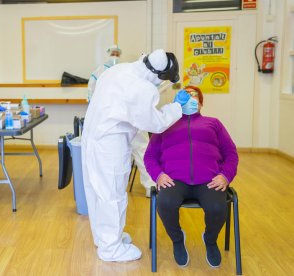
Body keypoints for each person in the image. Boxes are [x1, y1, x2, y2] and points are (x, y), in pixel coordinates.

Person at [82, 49, 186, 262]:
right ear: (157, 75)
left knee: (97, 191)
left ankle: (105, 238)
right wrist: (177, 107)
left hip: (92, 137)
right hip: (110, 143)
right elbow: (154, 124)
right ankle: (111, 248)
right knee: (113, 194)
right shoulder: (142, 88)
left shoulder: (118, 70)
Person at [144, 85, 239, 268]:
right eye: (185, 95)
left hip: (209, 180)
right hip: (174, 179)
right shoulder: (165, 125)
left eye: (194, 95)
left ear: (201, 103)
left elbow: (231, 153)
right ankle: (178, 240)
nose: (190, 98)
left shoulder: (214, 123)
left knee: (218, 207)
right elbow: (149, 156)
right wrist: (158, 175)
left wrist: (225, 176)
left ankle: (210, 241)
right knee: (165, 203)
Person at [87, 45, 158, 197]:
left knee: (142, 149)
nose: (115, 55)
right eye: (112, 52)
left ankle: (150, 186)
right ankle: (113, 189)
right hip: (112, 122)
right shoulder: (100, 72)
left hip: (132, 117)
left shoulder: (127, 70)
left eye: (117, 53)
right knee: (114, 157)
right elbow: (92, 95)